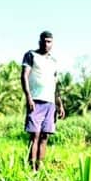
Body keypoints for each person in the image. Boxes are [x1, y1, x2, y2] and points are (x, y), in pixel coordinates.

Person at [21, 30, 65, 171]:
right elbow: (24, 76)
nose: (46, 44)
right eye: (44, 41)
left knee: (45, 136)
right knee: (35, 135)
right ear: (39, 41)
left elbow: (55, 84)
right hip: (36, 100)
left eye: (49, 41)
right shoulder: (31, 55)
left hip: (50, 103)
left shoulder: (53, 61)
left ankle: (40, 168)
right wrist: (28, 97)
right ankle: (31, 168)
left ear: (52, 43)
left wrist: (60, 104)